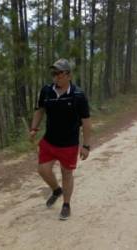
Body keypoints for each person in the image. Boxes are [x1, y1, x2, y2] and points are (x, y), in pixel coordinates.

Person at [30, 58, 91, 220]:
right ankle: (57, 190)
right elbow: (40, 109)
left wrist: (86, 145)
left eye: (59, 73)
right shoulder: (46, 91)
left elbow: (86, 121)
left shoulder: (78, 95)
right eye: (53, 73)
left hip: (69, 143)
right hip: (49, 141)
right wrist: (34, 128)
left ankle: (66, 204)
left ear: (69, 75)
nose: (56, 76)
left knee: (67, 173)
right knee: (43, 170)